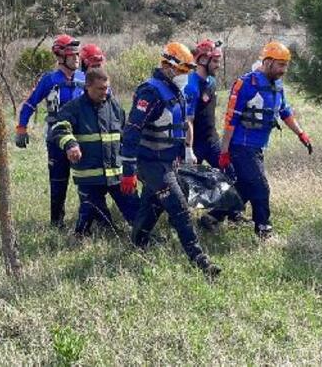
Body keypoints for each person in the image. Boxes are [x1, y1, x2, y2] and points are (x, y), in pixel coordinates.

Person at [120, 41, 221, 277]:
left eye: (188, 70)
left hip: (168, 160)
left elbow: (183, 123)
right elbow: (132, 132)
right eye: (183, 70)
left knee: (152, 206)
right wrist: (128, 171)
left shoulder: (176, 91)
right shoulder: (150, 92)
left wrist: (186, 149)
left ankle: (137, 242)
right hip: (151, 162)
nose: (187, 75)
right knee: (180, 209)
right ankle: (200, 261)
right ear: (168, 67)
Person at [218, 41, 312, 239]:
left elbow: (285, 112)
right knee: (261, 187)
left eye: (286, 65)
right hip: (240, 146)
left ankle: (212, 217)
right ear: (267, 62)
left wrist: (301, 134)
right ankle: (264, 229)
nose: (284, 70)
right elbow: (230, 119)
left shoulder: (277, 85)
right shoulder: (245, 84)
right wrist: (224, 151)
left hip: (258, 146)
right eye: (280, 65)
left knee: (245, 187)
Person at [48, 66, 140, 236]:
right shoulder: (74, 108)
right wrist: (70, 144)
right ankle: (79, 238)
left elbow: (126, 137)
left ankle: (145, 240)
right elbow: (59, 128)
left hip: (117, 174)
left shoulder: (115, 107)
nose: (105, 92)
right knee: (92, 219)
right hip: (90, 177)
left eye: (106, 88)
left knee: (137, 214)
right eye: (100, 89)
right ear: (87, 87)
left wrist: (132, 168)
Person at [15, 34, 85, 229]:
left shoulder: (83, 78)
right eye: (72, 55)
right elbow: (30, 103)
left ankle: (88, 221)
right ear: (60, 56)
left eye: (78, 55)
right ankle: (57, 223)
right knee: (58, 182)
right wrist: (21, 128)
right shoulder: (49, 80)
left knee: (88, 182)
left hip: (81, 138)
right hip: (56, 139)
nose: (77, 59)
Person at [182, 39, 242, 231]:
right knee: (184, 184)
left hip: (212, 140)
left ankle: (223, 215)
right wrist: (188, 149)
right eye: (215, 61)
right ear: (202, 61)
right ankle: (180, 222)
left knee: (232, 173)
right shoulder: (191, 85)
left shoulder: (212, 81)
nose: (218, 65)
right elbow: (187, 120)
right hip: (195, 144)